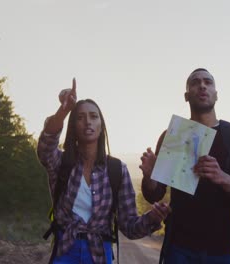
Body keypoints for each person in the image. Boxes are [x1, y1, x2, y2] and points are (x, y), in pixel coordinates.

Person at [37, 78, 171, 264]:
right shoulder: (61, 162)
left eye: (93, 116)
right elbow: (46, 144)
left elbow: (129, 226)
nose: (87, 122)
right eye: (80, 117)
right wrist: (64, 110)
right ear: (73, 126)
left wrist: (153, 218)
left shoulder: (116, 170)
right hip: (65, 252)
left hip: (99, 254)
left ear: (101, 126)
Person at [140, 68, 230, 264]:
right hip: (178, 247)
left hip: (220, 250)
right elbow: (155, 194)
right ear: (187, 96)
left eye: (208, 82)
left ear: (216, 94)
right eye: (195, 82)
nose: (202, 85)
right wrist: (149, 176)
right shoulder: (173, 136)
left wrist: (223, 177)